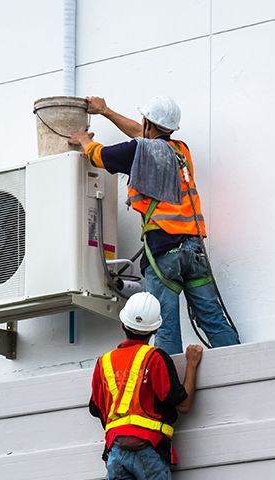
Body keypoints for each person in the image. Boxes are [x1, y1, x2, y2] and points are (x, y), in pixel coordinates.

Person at [68, 95, 239, 355]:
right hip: (194, 250)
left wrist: (83, 140)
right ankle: (239, 366)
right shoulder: (181, 151)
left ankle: (169, 385)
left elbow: (100, 157)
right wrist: (106, 111)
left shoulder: (138, 151)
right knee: (212, 319)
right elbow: (145, 135)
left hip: (164, 251)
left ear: (147, 121)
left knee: (166, 327)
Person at [88, 292, 203, 480]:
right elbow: (184, 404)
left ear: (123, 323)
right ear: (155, 330)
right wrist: (191, 364)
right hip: (148, 449)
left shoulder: (104, 363)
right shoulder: (155, 357)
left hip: (116, 451)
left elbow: (96, 408)